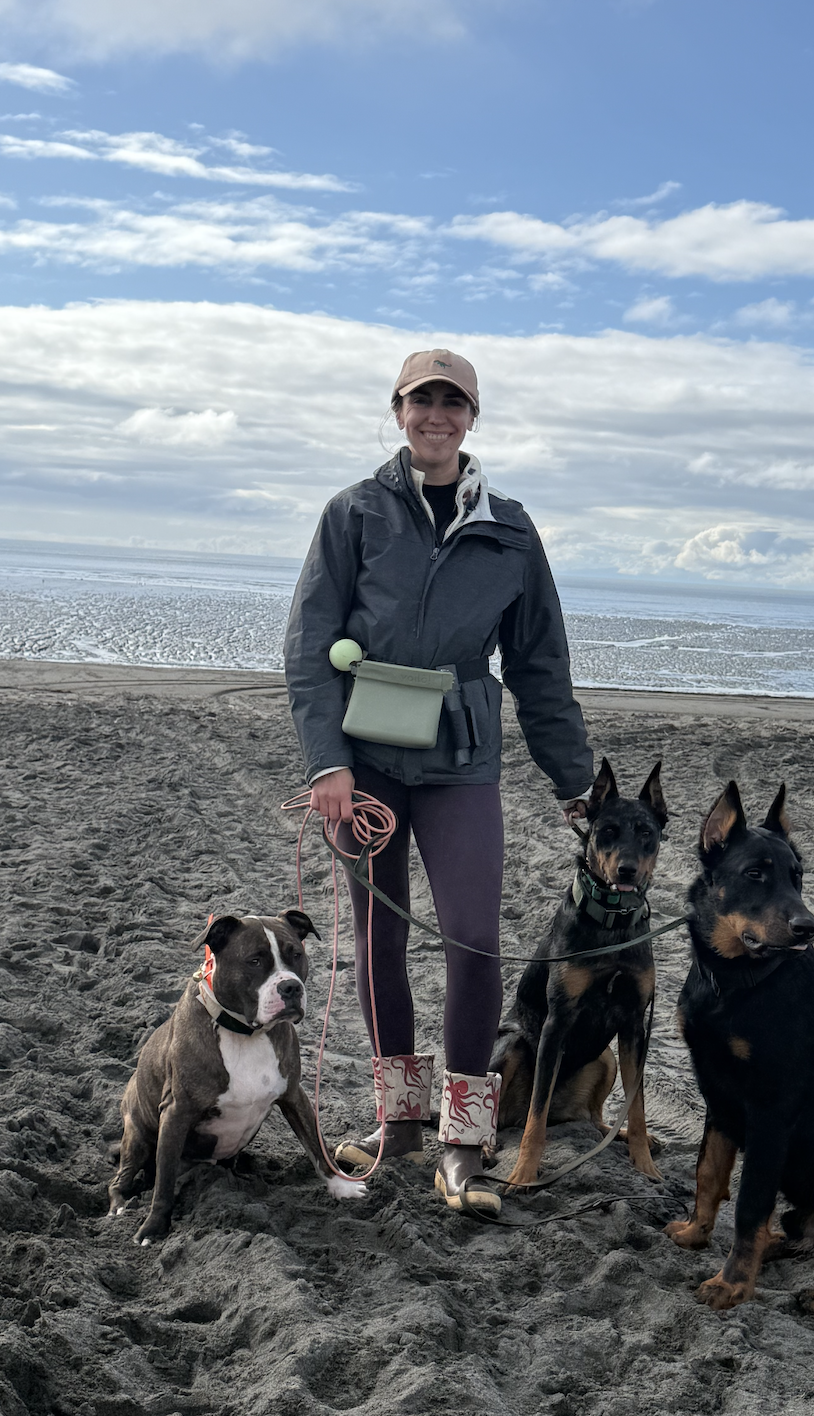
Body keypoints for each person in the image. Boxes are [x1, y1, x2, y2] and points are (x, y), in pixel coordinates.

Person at [284, 349, 593, 1214]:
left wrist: (576, 783)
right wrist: (328, 765)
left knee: (472, 941)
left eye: (453, 404)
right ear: (397, 410)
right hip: (366, 762)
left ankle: (464, 1135)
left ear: (471, 418)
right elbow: (310, 649)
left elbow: (539, 666)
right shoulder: (353, 513)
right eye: (422, 401)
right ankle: (400, 1125)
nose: (436, 417)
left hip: (463, 760)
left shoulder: (512, 530)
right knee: (379, 943)